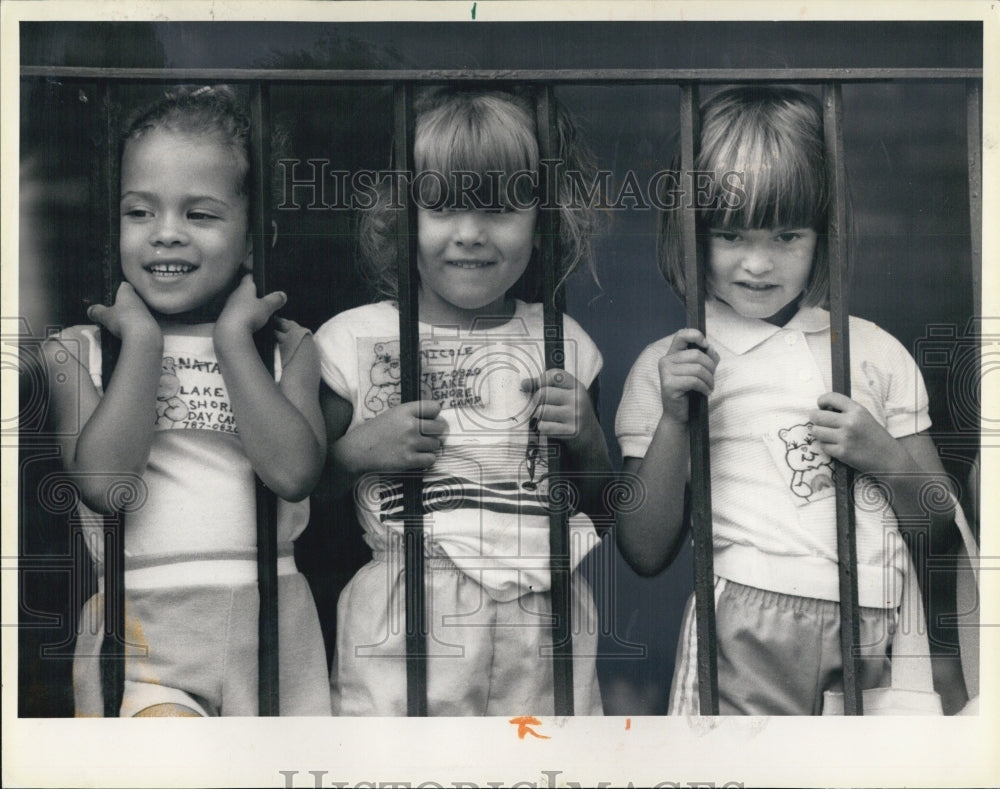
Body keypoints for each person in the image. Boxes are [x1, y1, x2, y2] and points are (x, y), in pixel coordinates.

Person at [614, 86, 958, 715]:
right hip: (746, 618)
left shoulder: (873, 352)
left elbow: (939, 524)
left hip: (875, 625)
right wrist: (673, 419)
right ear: (690, 233)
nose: (757, 264)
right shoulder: (674, 363)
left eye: (787, 236)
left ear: (823, 234)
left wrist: (880, 454)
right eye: (729, 235)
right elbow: (642, 548)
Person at [315, 86, 610, 716]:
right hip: (405, 607)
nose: (470, 235)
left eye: (501, 209)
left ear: (543, 219)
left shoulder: (564, 343)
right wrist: (357, 451)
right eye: (442, 208)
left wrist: (587, 438)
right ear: (402, 216)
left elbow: (602, 505)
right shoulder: (353, 338)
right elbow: (300, 488)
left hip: (544, 616)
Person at [44, 86, 331, 717]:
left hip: (273, 620)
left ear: (256, 239)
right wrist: (142, 344)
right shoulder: (79, 352)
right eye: (139, 212)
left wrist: (233, 342)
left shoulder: (288, 349)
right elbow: (106, 484)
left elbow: (292, 473)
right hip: (145, 628)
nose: (166, 235)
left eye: (199, 216)